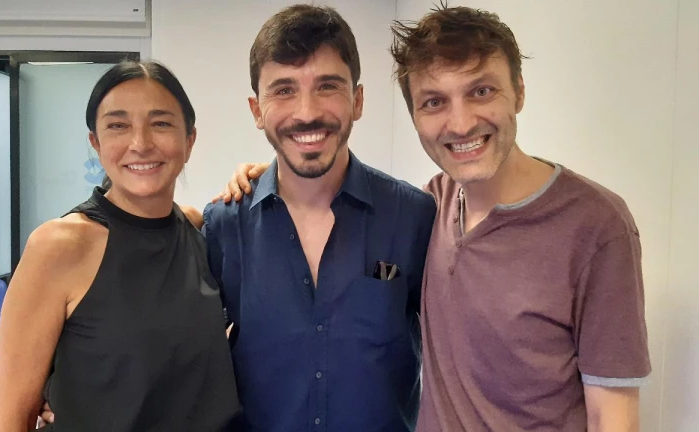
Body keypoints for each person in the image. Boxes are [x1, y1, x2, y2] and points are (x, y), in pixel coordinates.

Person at [224, 4, 651, 431]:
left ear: (519, 92)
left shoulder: (594, 226)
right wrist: (271, 179)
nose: (461, 124)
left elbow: (613, 417)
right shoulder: (434, 206)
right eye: (434, 102)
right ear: (415, 115)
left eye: (481, 91)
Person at [202, 4, 436, 431]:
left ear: (358, 100)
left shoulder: (415, 217)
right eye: (284, 90)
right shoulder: (223, 226)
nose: (306, 112)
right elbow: (182, 350)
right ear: (256, 110)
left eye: (327, 86)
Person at [0, 60, 240, 432]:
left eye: (161, 123)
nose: (140, 144)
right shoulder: (59, 246)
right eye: (118, 125)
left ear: (189, 141)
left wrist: (264, 175)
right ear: (96, 143)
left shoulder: (194, 227)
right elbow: (9, 419)